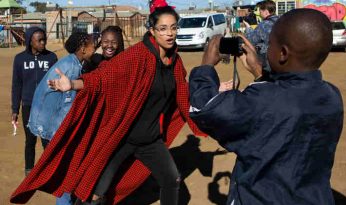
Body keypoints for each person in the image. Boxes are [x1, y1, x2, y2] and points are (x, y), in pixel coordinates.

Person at [10, 1, 205, 205]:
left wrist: (211, 92)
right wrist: (74, 84)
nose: (169, 33)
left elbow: (183, 92)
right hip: (123, 137)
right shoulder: (138, 55)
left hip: (150, 140)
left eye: (173, 28)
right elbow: (104, 77)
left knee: (171, 180)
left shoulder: (175, 62)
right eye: (163, 28)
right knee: (94, 192)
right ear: (152, 31)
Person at [189, 8, 343, 205]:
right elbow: (288, 102)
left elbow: (204, 108)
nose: (265, 48)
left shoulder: (262, 102)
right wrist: (259, 73)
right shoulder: (331, 95)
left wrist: (206, 66)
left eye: (270, 44)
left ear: (283, 53)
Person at [27, 32, 95, 205]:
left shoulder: (72, 62)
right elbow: (66, 107)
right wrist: (66, 133)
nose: (95, 48)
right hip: (54, 126)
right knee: (64, 172)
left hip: (46, 121)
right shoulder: (72, 68)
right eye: (92, 45)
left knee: (64, 171)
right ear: (82, 49)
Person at [11, 26, 57, 177]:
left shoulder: (51, 58)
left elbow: (56, 82)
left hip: (46, 105)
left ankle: (49, 169)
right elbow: (17, 85)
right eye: (39, 40)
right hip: (28, 105)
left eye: (44, 39)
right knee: (30, 140)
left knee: (46, 139)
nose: (43, 43)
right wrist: (15, 109)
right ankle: (29, 171)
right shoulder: (20, 59)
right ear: (31, 41)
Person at [243, 0, 278, 80]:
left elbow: (251, 41)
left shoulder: (264, 24)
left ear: (266, 12)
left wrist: (248, 28)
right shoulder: (282, 20)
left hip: (269, 66)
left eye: (260, 11)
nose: (259, 13)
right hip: (283, 63)